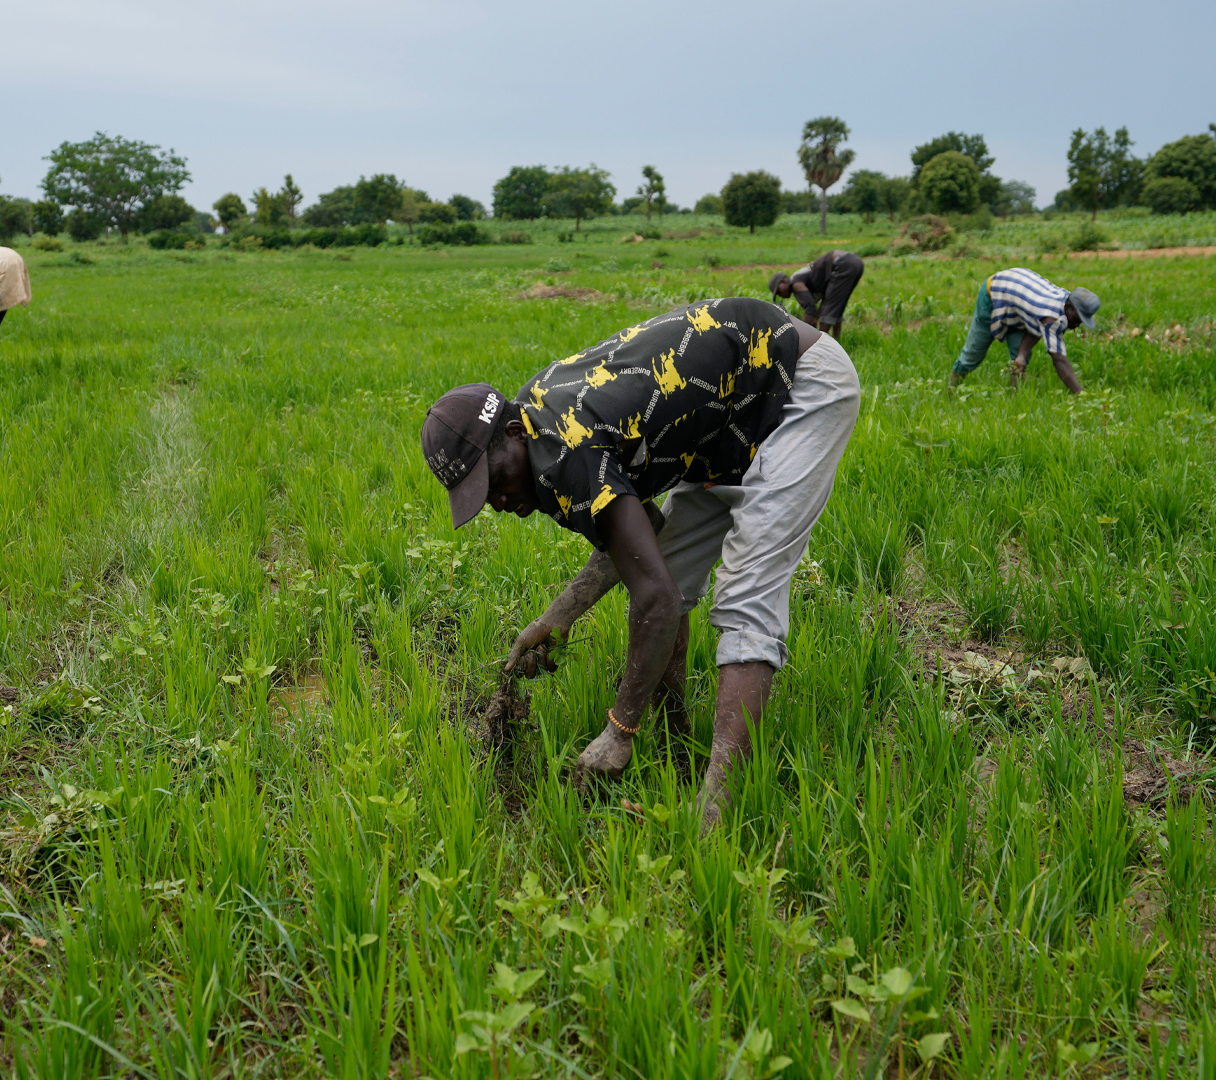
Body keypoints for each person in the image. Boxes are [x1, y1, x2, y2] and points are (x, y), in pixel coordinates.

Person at [420, 297, 861, 826]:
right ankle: (679, 748)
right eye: (480, 495)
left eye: (494, 481)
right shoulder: (539, 427)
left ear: (513, 434)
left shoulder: (564, 446)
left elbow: (654, 596)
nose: (497, 502)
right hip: (728, 416)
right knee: (670, 566)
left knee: (747, 591)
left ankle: (714, 816)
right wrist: (559, 615)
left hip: (796, 382)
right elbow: (641, 536)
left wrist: (619, 730)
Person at [950, 267, 1099, 393]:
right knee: (974, 351)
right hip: (995, 292)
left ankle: (1014, 397)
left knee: (1020, 358)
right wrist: (1081, 395)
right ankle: (952, 391)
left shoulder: (1063, 300)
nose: (1078, 324)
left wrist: (1021, 354)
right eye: (1078, 318)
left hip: (1016, 302)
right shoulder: (1052, 317)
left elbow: (1036, 326)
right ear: (1069, 307)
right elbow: (1059, 360)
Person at [769, 249, 864, 338]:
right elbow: (814, 311)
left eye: (778, 291)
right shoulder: (800, 278)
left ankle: (823, 346)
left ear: (783, 282)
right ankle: (837, 342)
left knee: (827, 310)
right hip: (855, 262)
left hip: (842, 263)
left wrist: (800, 336)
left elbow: (810, 308)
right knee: (836, 308)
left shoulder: (795, 283)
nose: (780, 295)